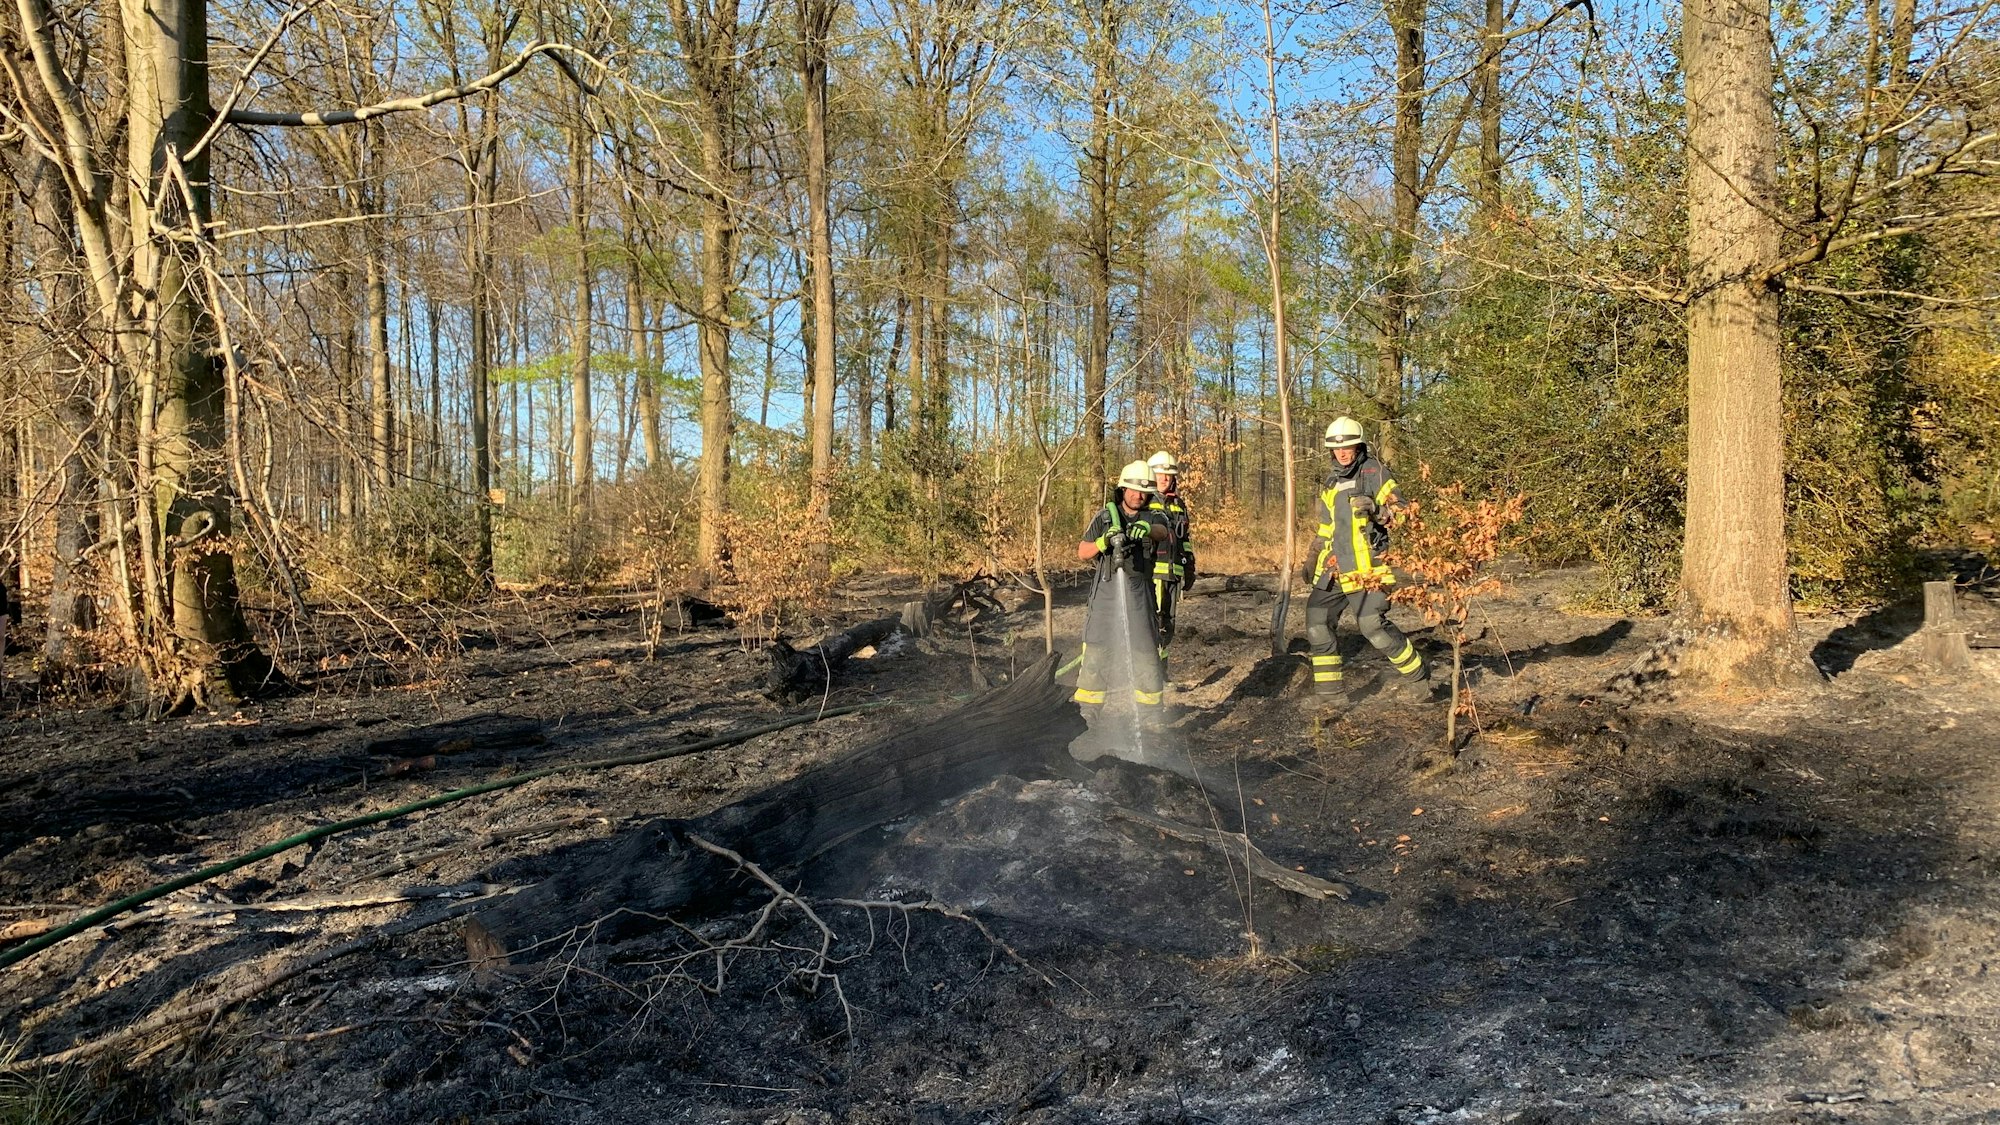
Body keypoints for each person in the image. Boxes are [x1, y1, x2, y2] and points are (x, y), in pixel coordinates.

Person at [1304, 417, 1433, 701]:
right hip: (1335, 570)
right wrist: (1315, 553)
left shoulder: (1376, 473)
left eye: (1347, 447)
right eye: (1336, 449)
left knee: (1372, 626)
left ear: (1358, 446)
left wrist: (1376, 509)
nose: (1342, 453)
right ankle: (1330, 695)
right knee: (1316, 622)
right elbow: (1327, 527)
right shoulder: (1330, 482)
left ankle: (1420, 679)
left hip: (1369, 569)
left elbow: (1405, 514)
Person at [1072, 460, 1171, 724]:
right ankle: (1088, 718)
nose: (1139, 496)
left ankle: (1151, 718)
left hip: (1140, 595)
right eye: (1134, 490)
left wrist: (1147, 529)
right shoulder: (1105, 516)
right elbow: (1082, 552)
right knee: (1096, 654)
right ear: (1123, 489)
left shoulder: (1154, 515)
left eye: (1144, 492)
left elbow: (1163, 531)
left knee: (1146, 654)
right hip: (1105, 594)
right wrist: (1103, 541)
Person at [1145, 451, 1195, 655]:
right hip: (1153, 574)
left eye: (1168, 475)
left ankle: (1162, 667)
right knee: (1152, 620)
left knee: (1168, 622)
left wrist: (1190, 566)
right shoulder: (1145, 502)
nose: (1164, 479)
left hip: (1174, 574)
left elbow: (1185, 539)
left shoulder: (1179, 506)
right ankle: (1150, 669)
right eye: (1159, 474)